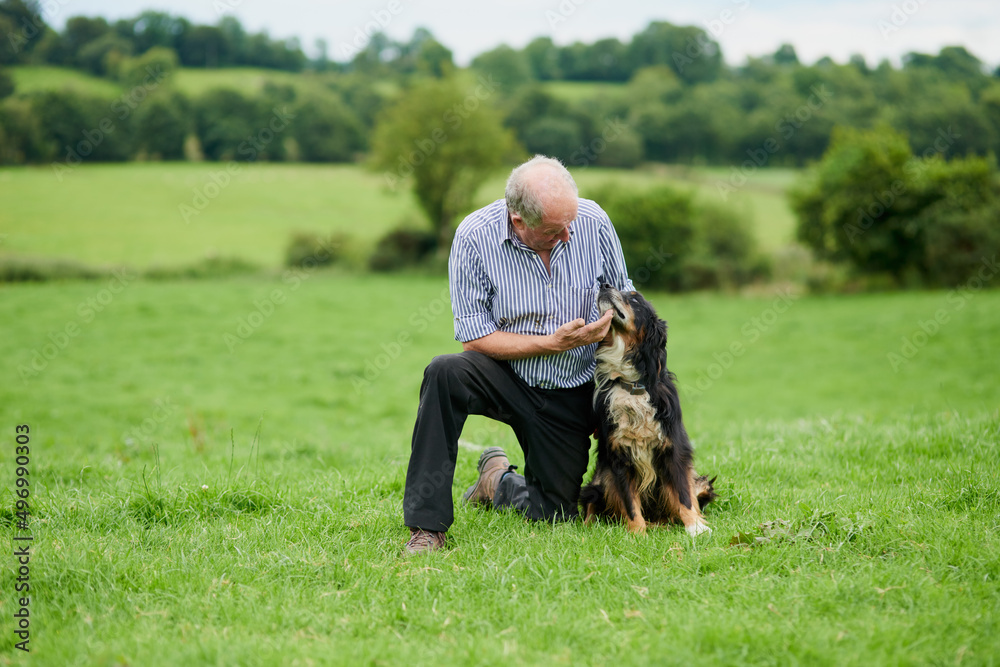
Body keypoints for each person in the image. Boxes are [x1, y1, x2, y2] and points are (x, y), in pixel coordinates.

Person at [402, 155, 635, 554]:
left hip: (572, 388)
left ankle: (498, 481)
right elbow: (474, 336)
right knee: (444, 372)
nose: (566, 235)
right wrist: (550, 343)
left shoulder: (592, 221)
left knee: (556, 514)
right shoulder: (474, 236)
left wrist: (609, 397)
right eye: (553, 230)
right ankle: (427, 528)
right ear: (518, 221)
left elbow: (627, 301)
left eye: (569, 224)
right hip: (504, 375)